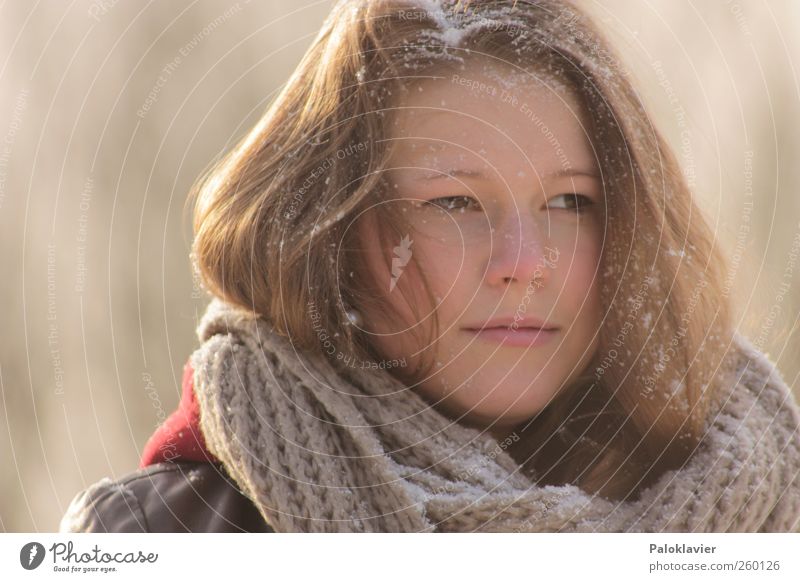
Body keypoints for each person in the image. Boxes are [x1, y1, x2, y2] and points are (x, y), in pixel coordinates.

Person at [60, 0, 800, 533]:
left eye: (571, 202)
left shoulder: (765, 511)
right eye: (455, 204)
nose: (523, 264)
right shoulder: (157, 535)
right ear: (332, 236)